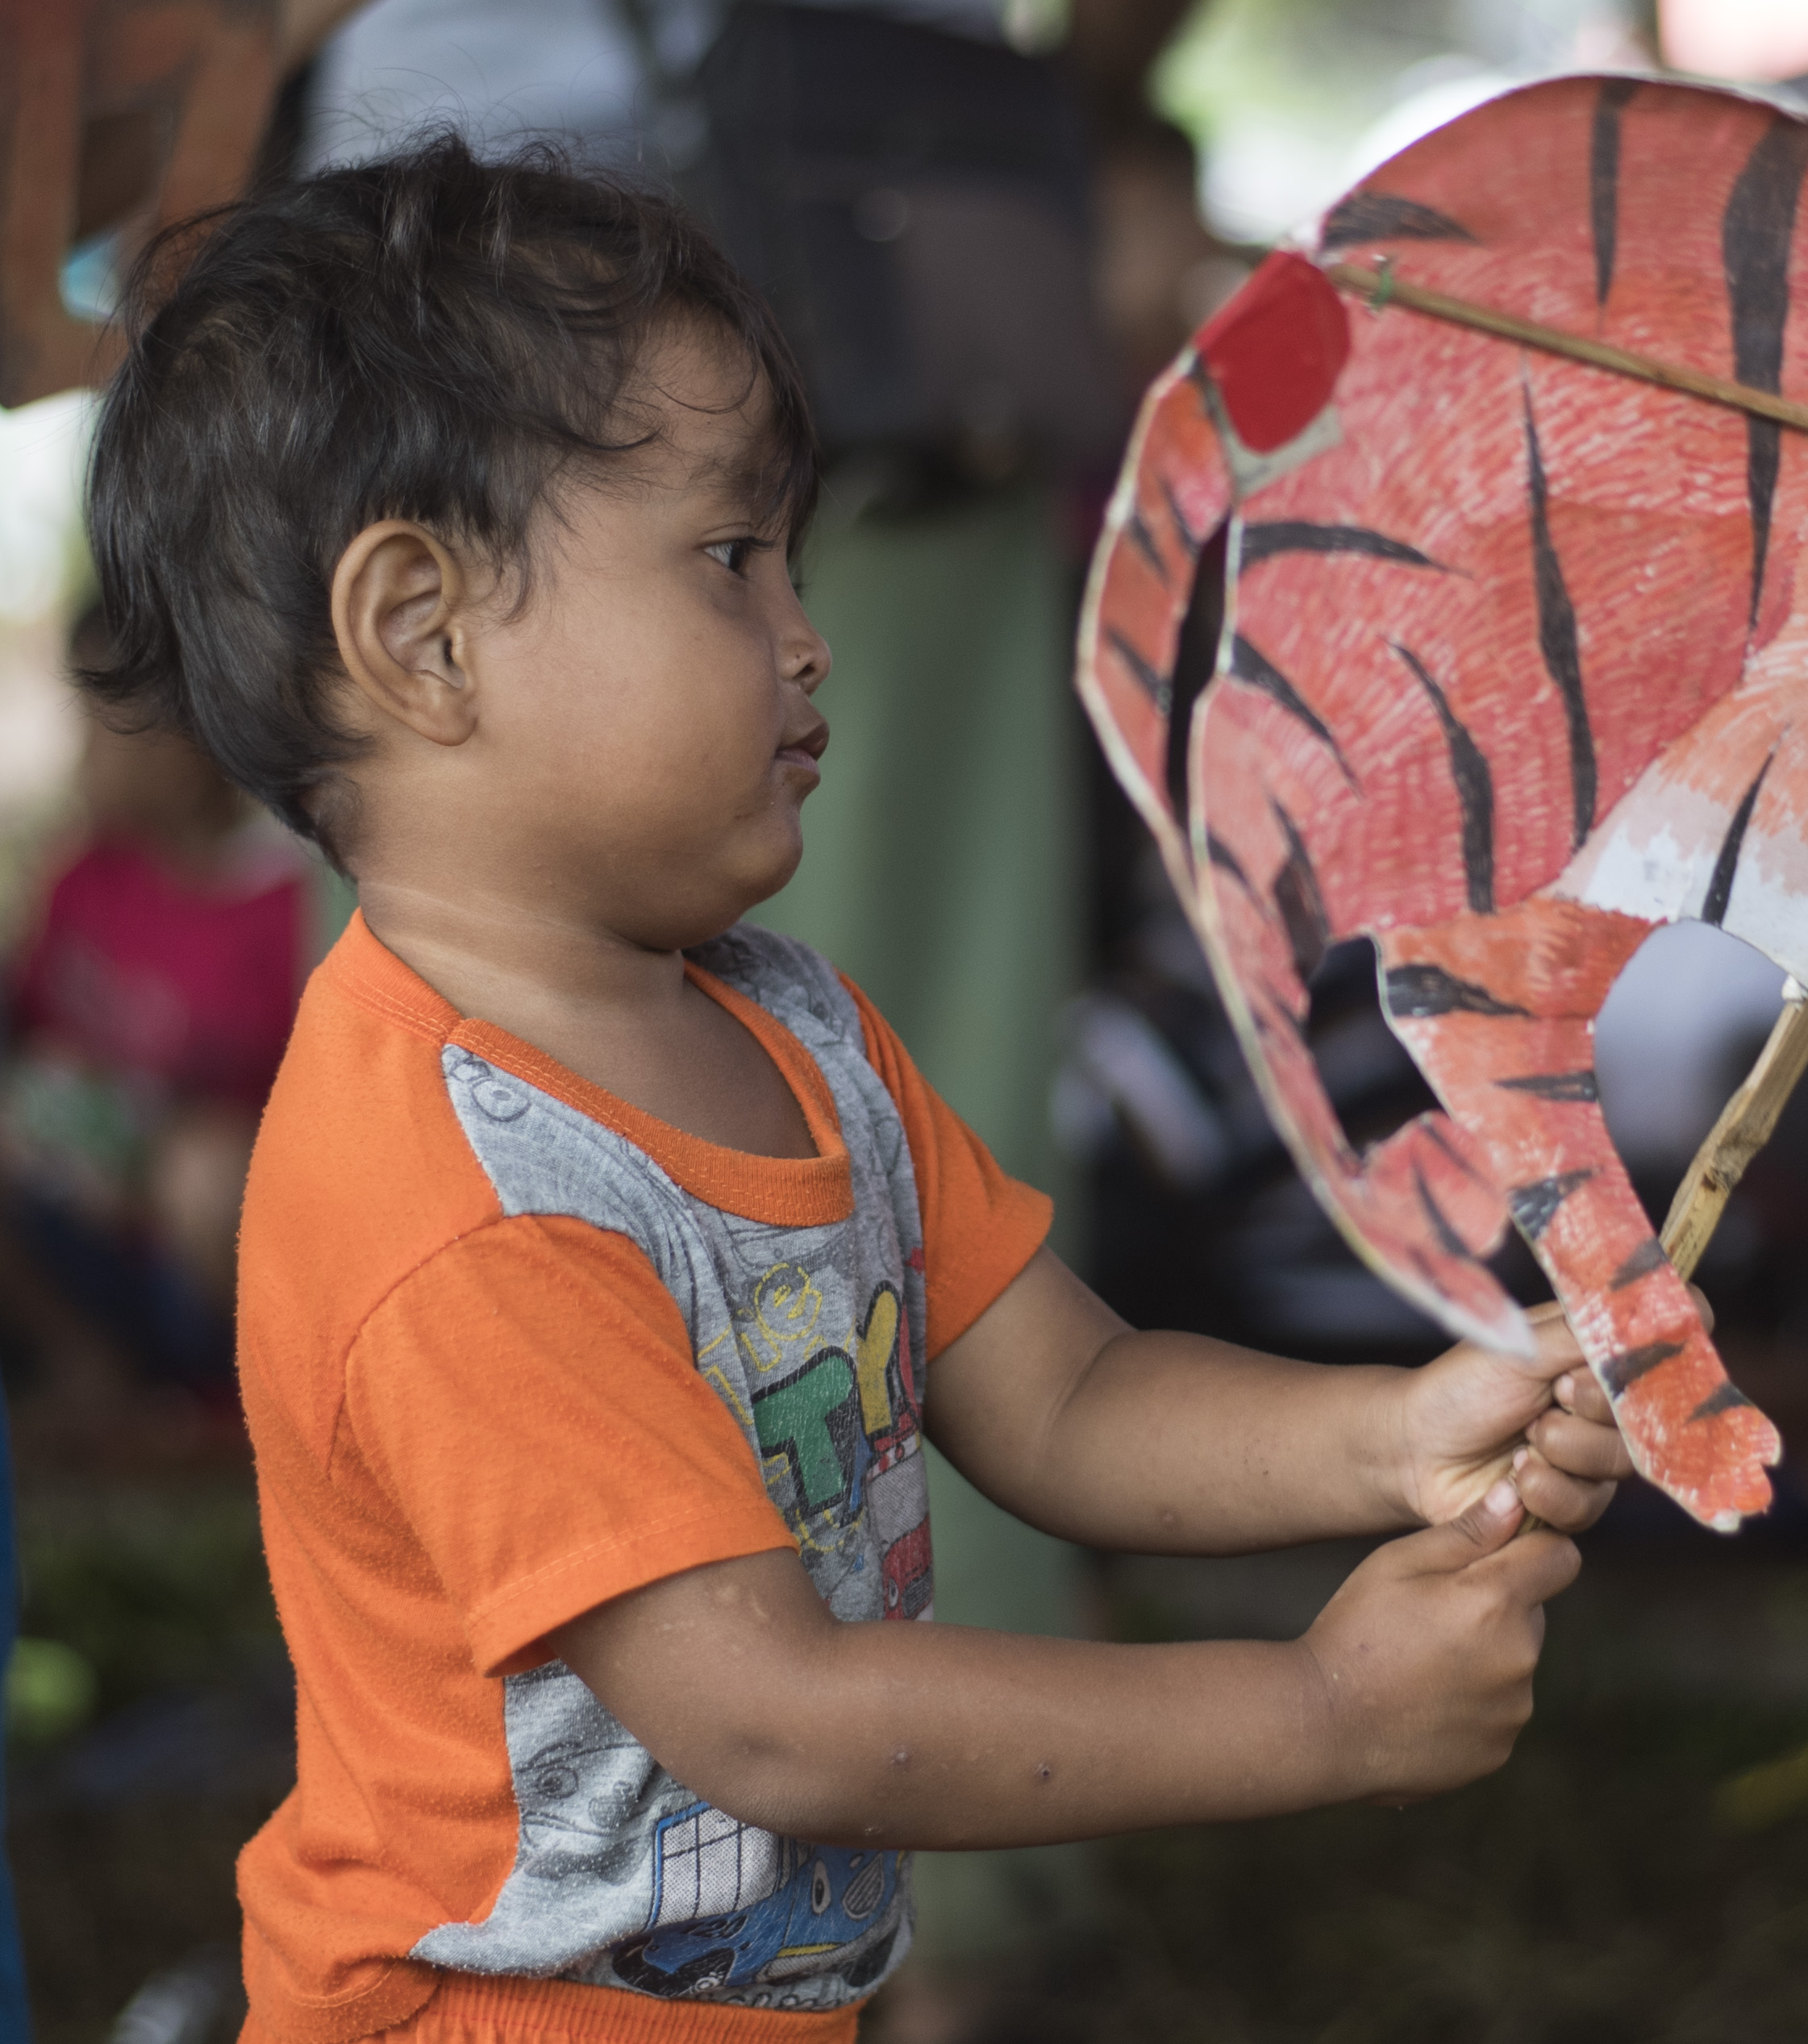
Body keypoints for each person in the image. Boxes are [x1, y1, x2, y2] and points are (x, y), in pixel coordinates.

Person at [84, 138, 1631, 2041]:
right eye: (728, 558)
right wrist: (1314, 1709)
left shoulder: (797, 1031)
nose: (808, 634)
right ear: (422, 632)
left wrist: (1393, 1435)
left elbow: (1063, 1392)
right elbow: (776, 1713)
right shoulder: (457, 1192)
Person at [0, 605, 310, 1449]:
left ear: (185, 746)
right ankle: (87, 1372)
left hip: (200, 1261)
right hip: (74, 1241)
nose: (82, 757)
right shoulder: (82, 878)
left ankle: (266, 1420)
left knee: (205, 1171)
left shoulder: (291, 912)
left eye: (98, 727)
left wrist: (148, 1163)